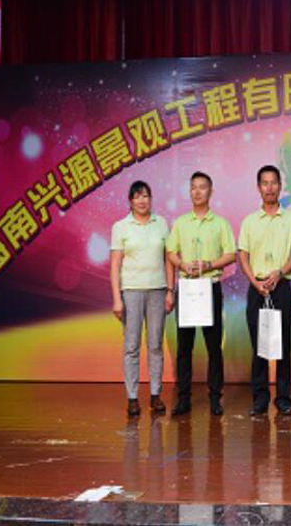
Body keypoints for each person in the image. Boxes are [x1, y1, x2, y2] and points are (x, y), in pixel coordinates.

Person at [166, 171, 236, 416]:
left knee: (213, 346)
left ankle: (215, 398)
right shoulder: (180, 223)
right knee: (184, 347)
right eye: (193, 187)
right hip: (187, 288)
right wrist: (181, 264)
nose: (197, 192)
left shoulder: (220, 223)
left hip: (209, 286)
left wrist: (209, 264)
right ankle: (183, 398)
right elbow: (171, 252)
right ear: (189, 192)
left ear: (211, 191)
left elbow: (231, 254)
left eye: (202, 187)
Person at [238, 165, 291, 416]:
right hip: (257, 288)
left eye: (274, 182)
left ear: (280, 186)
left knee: (283, 343)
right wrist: (255, 282)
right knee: (259, 344)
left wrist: (280, 272)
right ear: (258, 188)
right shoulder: (249, 221)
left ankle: (283, 398)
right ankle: (260, 397)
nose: (269, 188)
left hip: (281, 287)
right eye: (265, 183)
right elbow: (243, 255)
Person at [110, 181, 174, 417]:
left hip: (157, 290)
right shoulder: (120, 227)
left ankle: (155, 395)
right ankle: (132, 397)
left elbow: (169, 260)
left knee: (155, 345)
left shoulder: (161, 224)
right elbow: (115, 265)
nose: (142, 200)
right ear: (130, 201)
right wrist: (117, 299)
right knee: (131, 346)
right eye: (137, 196)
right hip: (131, 291)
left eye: (146, 196)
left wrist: (170, 290)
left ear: (151, 199)